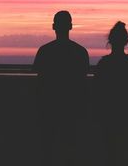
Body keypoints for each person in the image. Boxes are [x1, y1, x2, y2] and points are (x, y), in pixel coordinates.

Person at [33, 10, 90, 166]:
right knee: (70, 149)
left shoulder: (45, 51)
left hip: (48, 107)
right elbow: (82, 83)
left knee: (47, 149)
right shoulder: (80, 52)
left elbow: (39, 80)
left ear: (53, 27)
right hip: (72, 108)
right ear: (70, 26)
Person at [94, 21, 128, 166]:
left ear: (110, 41)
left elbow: (97, 93)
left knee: (110, 152)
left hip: (108, 115)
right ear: (126, 41)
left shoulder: (103, 64)